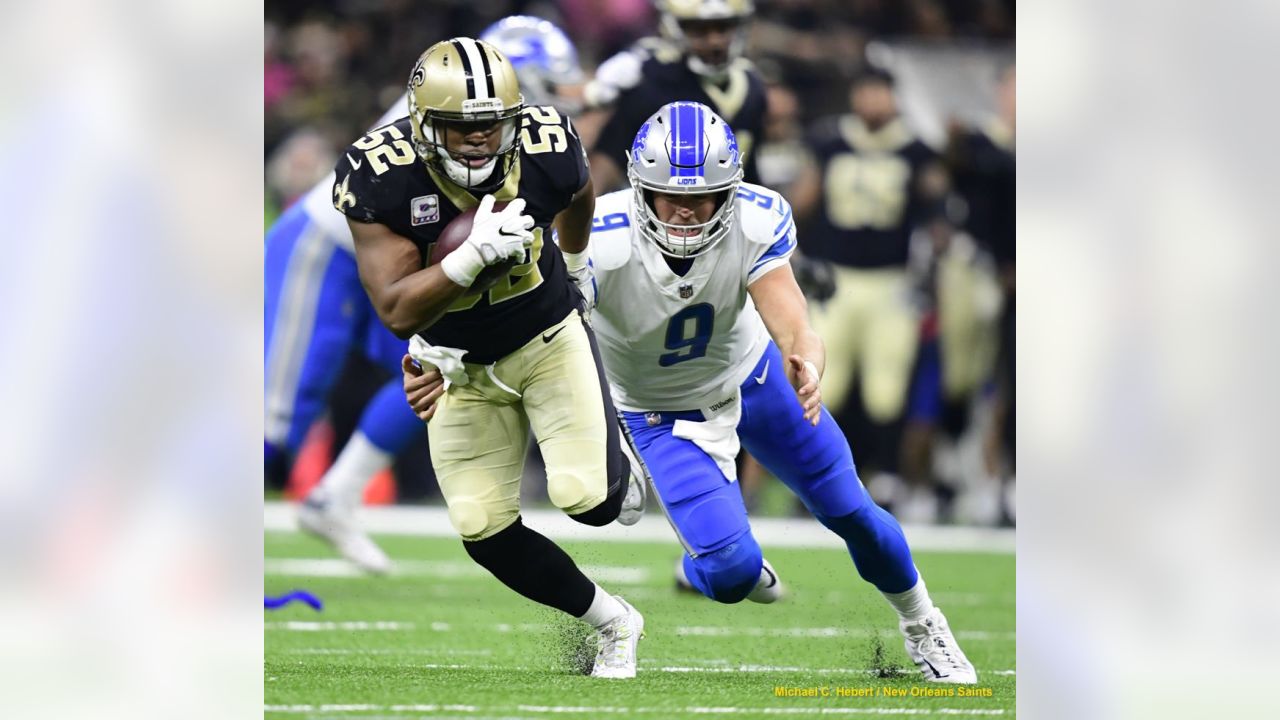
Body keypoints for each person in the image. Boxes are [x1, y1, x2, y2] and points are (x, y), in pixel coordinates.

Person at [407, 101, 978, 684]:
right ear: (639, 187)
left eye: (702, 196)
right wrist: (437, 358)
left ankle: (924, 623)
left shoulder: (757, 219)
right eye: (670, 195)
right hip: (659, 414)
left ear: (730, 190)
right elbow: (518, 322)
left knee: (850, 509)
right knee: (732, 574)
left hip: (754, 377)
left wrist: (804, 351)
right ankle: (715, 554)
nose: (685, 210)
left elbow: (789, 312)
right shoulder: (599, 239)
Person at [336, 36, 646, 680]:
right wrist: (468, 259)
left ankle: (625, 456)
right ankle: (614, 622)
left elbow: (580, 194)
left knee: (587, 499)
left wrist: (580, 263)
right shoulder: (379, 174)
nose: (479, 141)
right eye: (459, 127)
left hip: (546, 337)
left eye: (491, 126)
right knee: (480, 525)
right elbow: (395, 309)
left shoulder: (546, 143)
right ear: (424, 125)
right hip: (453, 363)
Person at [266, 17, 587, 574]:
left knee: (436, 370)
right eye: (549, 87)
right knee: (275, 427)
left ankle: (335, 495)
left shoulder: (495, 125)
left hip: (421, 264)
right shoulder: (451, 119)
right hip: (326, 248)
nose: (557, 103)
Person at [789, 66, 949, 508]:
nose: (873, 101)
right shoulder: (830, 141)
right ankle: (818, 479)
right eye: (866, 92)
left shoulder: (915, 150)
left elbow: (938, 210)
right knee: (823, 383)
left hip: (890, 281)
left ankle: (887, 477)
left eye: (880, 92)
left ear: (893, 98)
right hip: (836, 280)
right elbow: (802, 201)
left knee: (887, 389)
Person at [585, 0, 768, 192]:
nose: (714, 42)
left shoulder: (751, 84)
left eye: (723, 28)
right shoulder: (651, 81)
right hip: (657, 211)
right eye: (699, 30)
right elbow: (609, 158)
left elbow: (749, 173)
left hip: (726, 210)